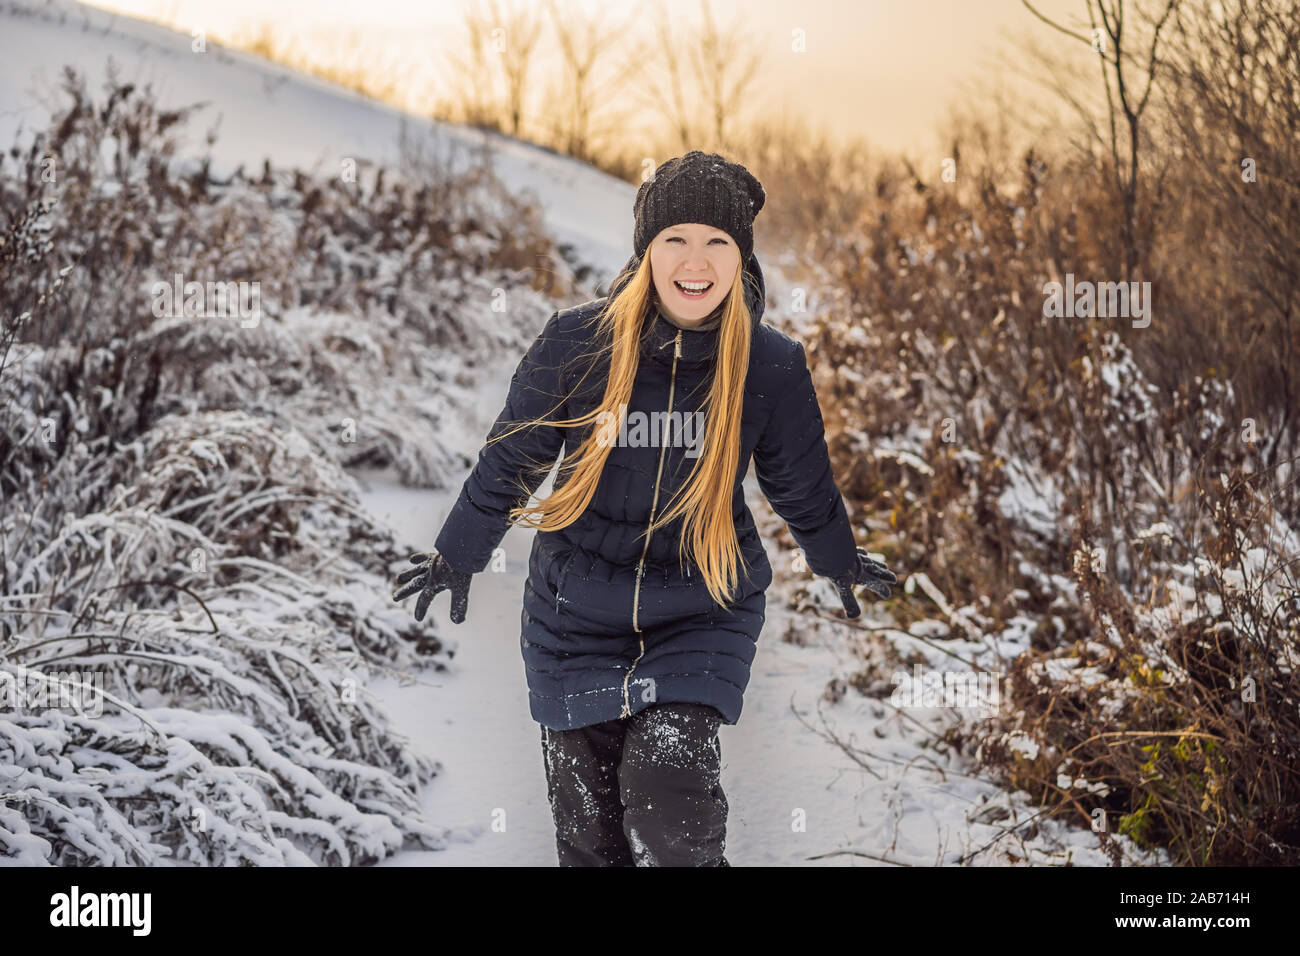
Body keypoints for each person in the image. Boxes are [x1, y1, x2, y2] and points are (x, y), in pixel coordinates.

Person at [392, 150, 898, 866]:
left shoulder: (769, 364)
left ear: (741, 257)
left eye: (718, 242)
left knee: (668, 804)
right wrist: (459, 552)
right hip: (572, 615)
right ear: (646, 252)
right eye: (676, 240)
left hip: (702, 605)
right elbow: (515, 457)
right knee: (591, 839)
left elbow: (800, 483)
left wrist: (838, 560)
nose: (697, 261)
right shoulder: (579, 343)